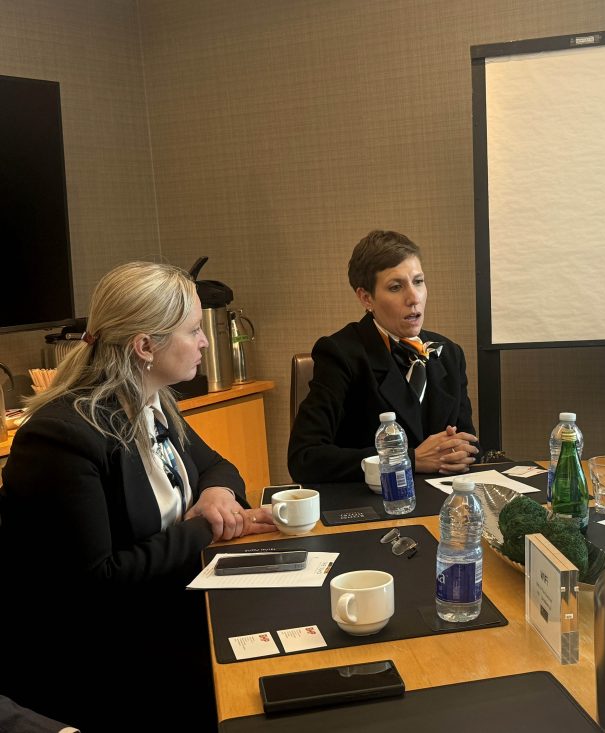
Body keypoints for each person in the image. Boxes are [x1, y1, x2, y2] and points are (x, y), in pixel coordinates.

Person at [0, 262, 275, 731]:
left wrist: (216, 494)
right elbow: (99, 581)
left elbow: (217, 465)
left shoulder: (152, 400)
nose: (205, 341)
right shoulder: (61, 438)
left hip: (174, 606)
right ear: (145, 346)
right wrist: (206, 527)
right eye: (193, 330)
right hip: (111, 654)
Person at [288, 230, 480, 483]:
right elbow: (304, 459)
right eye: (396, 287)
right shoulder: (340, 353)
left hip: (444, 496)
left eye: (418, 281)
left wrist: (461, 453)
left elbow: (469, 444)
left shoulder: (450, 353)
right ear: (366, 298)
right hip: (373, 498)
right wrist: (409, 459)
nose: (414, 298)